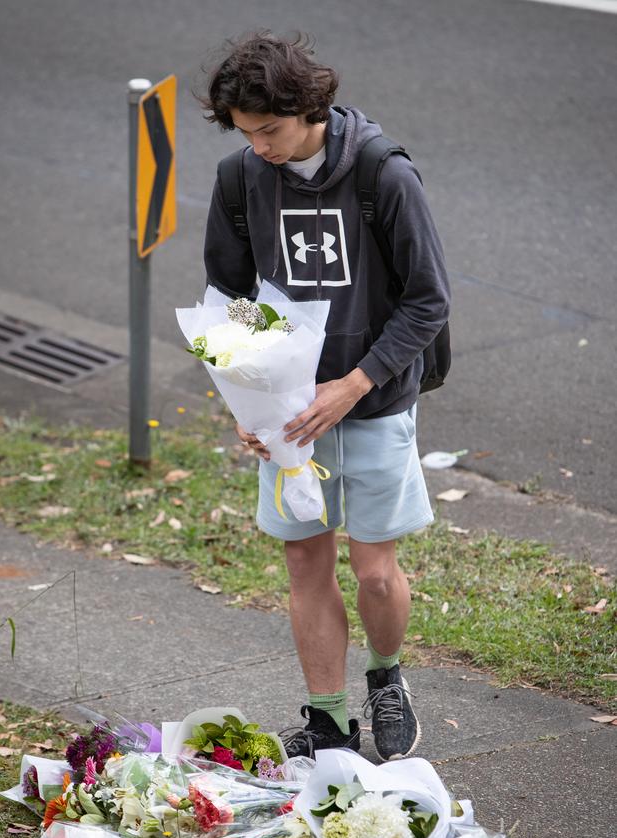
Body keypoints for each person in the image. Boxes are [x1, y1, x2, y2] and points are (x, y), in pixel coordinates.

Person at [200, 32, 450, 761]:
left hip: (372, 400)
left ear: (307, 105)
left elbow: (427, 300)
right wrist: (247, 393)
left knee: (375, 572)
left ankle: (385, 677)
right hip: (288, 412)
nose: (260, 147)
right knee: (306, 565)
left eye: (269, 130)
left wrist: (355, 382)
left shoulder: (383, 175)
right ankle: (328, 719)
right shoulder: (241, 176)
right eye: (246, 134)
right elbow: (229, 295)